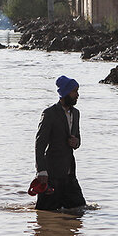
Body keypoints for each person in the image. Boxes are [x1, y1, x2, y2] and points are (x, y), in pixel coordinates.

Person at [34, 76, 86, 211]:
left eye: (77, 91)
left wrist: (76, 142)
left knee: (79, 209)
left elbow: (78, 138)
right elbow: (40, 143)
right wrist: (41, 171)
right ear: (65, 93)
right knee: (45, 213)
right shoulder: (49, 114)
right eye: (74, 91)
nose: (77, 95)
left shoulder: (76, 113)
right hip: (51, 174)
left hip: (70, 174)